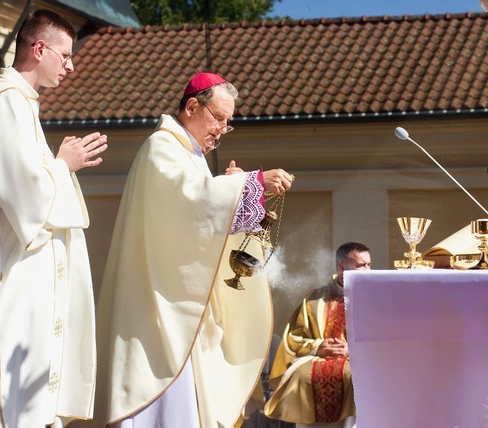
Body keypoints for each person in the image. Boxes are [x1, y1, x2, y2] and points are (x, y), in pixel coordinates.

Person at [0, 9, 107, 428]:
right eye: (64, 55)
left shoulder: (19, 103)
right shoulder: (5, 101)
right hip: (1, 278)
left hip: (13, 274)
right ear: (38, 48)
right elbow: (24, 199)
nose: (70, 65)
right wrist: (63, 164)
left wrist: (60, 164)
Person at [94, 71, 295, 428]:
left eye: (228, 123)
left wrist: (232, 188)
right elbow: (191, 206)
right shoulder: (162, 148)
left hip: (183, 307)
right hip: (158, 308)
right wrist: (250, 183)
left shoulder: (191, 155)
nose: (222, 128)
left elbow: (199, 214)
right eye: (218, 118)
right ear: (191, 106)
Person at [264, 242, 372, 428]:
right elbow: (293, 338)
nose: (368, 270)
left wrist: (354, 350)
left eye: (369, 264)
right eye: (361, 265)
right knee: (302, 376)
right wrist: (317, 347)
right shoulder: (316, 299)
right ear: (342, 267)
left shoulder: (374, 298)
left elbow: (383, 339)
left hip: (356, 361)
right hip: (316, 359)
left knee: (355, 377)